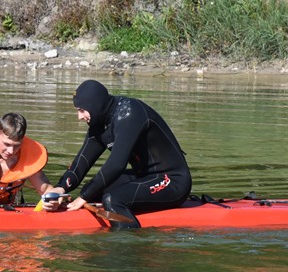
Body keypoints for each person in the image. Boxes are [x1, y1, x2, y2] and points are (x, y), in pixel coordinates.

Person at [46, 79, 191, 227]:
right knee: (95, 190)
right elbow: (82, 161)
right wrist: (61, 188)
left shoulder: (129, 113)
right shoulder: (99, 122)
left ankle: (129, 245)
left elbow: (116, 164)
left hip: (172, 181)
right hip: (143, 176)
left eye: (82, 110)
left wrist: (84, 196)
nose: (79, 117)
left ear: (95, 104)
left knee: (112, 199)